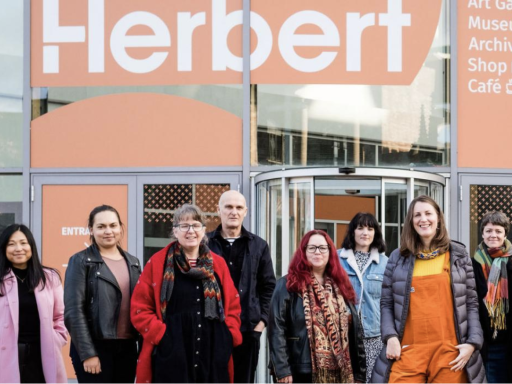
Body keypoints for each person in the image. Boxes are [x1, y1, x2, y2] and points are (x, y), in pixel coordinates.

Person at [372, 195, 485, 383]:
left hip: (450, 352)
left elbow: (471, 303)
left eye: (428, 213)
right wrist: (390, 337)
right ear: (411, 222)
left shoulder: (458, 255)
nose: (423, 219)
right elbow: (386, 303)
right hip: (407, 350)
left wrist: (472, 343)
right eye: (417, 215)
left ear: (438, 218)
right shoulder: (397, 258)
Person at [131, 203, 243, 383]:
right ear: (175, 231)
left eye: (196, 225)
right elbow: (140, 308)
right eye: (184, 226)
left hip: (212, 349)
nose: (191, 231)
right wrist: (162, 335)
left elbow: (234, 307)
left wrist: (228, 336)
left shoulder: (218, 264)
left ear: (204, 230)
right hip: (172, 350)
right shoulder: (158, 262)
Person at [268, 229, 366, 383]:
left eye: (322, 247)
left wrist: (359, 373)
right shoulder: (287, 285)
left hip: (342, 371)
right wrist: (282, 369)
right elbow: (276, 329)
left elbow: (355, 331)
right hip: (300, 369)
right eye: (312, 247)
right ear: (304, 251)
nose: (317, 252)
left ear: (330, 252)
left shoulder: (342, 285)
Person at [64, 205, 141, 383]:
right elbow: (73, 311)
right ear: (91, 229)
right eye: (101, 226)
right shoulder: (81, 261)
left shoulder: (133, 262)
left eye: (113, 225)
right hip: (96, 346)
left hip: (127, 347)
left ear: (120, 228)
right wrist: (88, 353)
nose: (108, 231)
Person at [207, 190, 276, 383]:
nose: (233, 212)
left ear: (245, 211)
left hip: (248, 329)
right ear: (218, 210)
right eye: (228, 207)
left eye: (238, 208)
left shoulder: (259, 246)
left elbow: (268, 287)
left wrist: (261, 324)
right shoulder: (205, 244)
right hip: (212, 328)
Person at [0, 224, 67, 383]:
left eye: (23, 243)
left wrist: (56, 339)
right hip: (6, 354)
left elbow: (60, 316)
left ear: (31, 246)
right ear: (3, 248)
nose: (18, 248)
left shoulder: (49, 277)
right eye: (11, 244)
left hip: (42, 353)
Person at [338, 212, 387, 383]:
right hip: (345, 337)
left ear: (375, 233)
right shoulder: (337, 259)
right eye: (360, 228)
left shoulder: (385, 263)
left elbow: (388, 302)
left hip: (374, 337)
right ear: (352, 232)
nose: (365, 232)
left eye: (370, 228)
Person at [472, 211, 512, 383]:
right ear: (482, 234)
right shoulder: (472, 263)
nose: (493, 235)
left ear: (505, 234)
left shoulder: (510, 261)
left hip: (508, 342)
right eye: (488, 231)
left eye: (498, 231)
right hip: (483, 343)